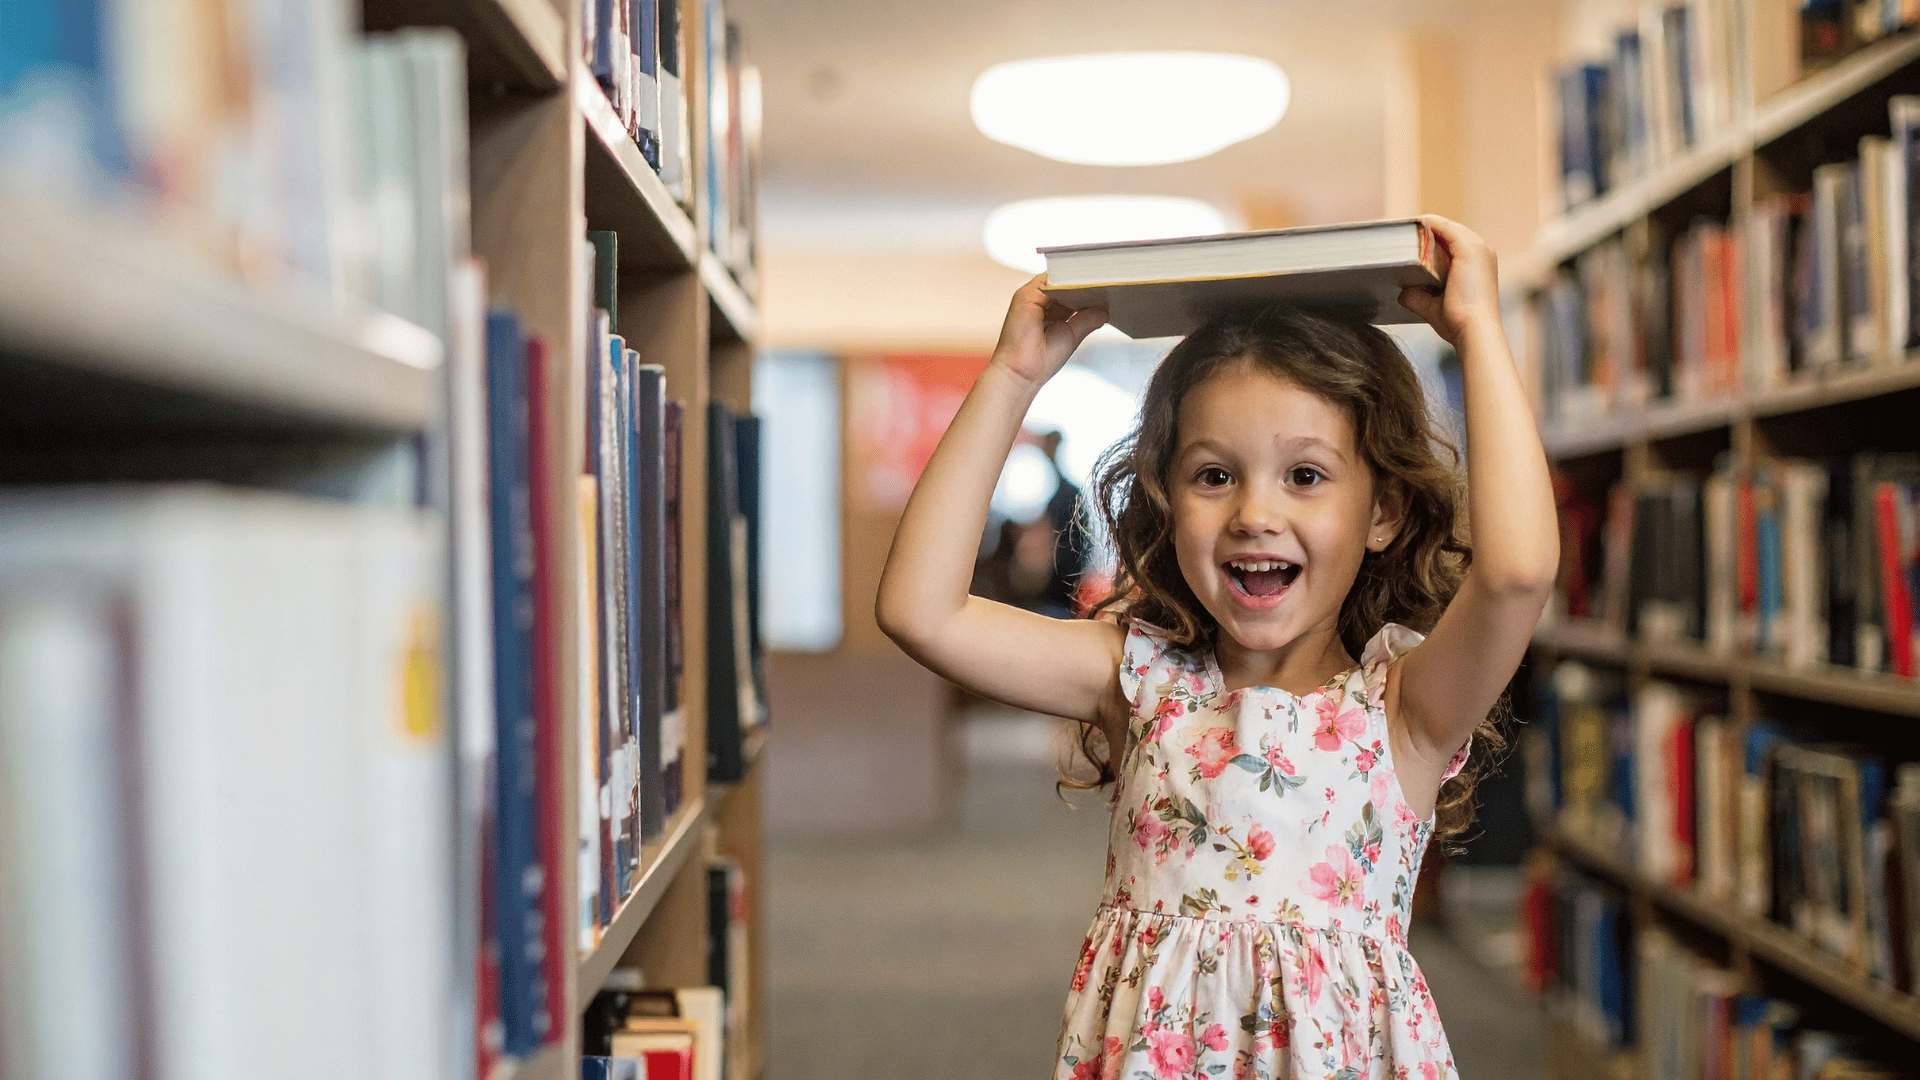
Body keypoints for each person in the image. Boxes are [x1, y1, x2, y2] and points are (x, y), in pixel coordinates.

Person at [874, 216, 1556, 1080]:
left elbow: (1518, 574)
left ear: (1381, 511)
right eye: (1214, 475)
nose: (1254, 513)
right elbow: (920, 611)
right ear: (1167, 503)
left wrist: (1481, 333)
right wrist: (1013, 377)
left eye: (1305, 476)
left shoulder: (1404, 709)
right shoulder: (1136, 680)